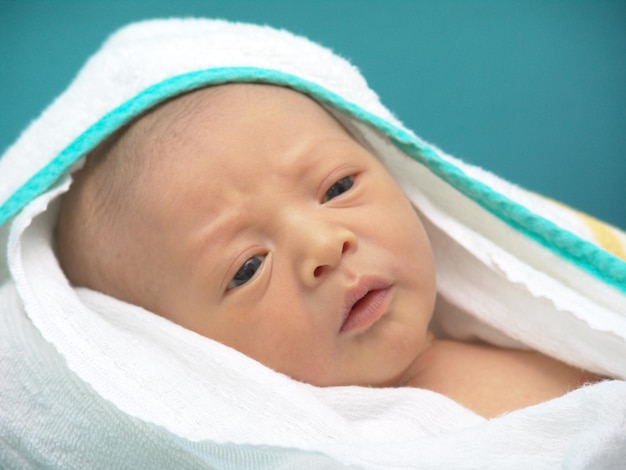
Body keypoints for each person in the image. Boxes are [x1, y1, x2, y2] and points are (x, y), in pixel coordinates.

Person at [54, 82, 602, 419]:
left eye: (338, 188)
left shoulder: (553, 345)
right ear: (181, 352)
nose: (325, 245)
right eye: (247, 268)